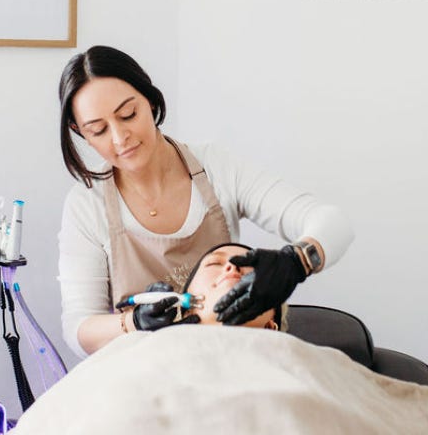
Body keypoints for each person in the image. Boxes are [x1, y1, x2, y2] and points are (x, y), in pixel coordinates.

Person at [57, 45, 354, 356]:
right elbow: (78, 328)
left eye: (129, 114)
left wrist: (297, 261)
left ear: (151, 100)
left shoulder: (218, 169)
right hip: (140, 376)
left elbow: (335, 224)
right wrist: (133, 324)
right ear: (80, 133)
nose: (120, 138)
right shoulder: (86, 206)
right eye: (99, 130)